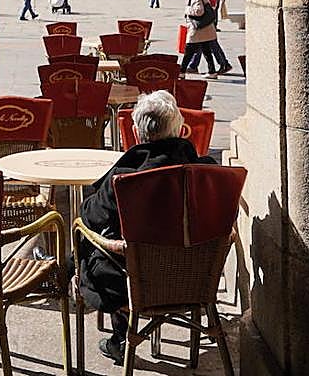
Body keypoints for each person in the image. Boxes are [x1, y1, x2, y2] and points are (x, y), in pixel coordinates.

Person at [77, 90, 218, 364]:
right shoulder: (208, 173)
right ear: (179, 129)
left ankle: (120, 337)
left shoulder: (123, 180)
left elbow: (89, 217)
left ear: (136, 132)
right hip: (196, 279)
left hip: (135, 283)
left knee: (88, 243)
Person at [189, 0, 233, 75]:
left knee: (209, 42)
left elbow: (212, 2)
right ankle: (194, 65)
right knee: (203, 41)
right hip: (201, 18)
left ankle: (223, 64)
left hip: (205, 19)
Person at [181, 0, 220, 77]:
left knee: (188, 51)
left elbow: (199, 11)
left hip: (198, 29)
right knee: (206, 51)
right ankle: (212, 71)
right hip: (206, 29)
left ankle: (181, 71)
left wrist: (187, 10)